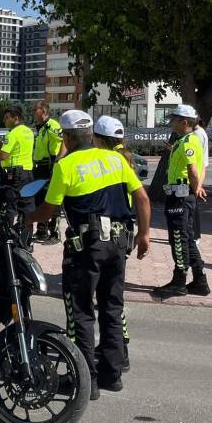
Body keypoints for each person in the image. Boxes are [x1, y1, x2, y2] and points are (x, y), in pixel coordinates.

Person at [26, 110, 150, 400]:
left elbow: (49, 210)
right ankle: (112, 374)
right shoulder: (116, 159)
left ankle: (84, 381)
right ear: (91, 136)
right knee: (111, 308)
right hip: (120, 244)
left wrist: (26, 218)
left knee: (80, 312)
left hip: (86, 248)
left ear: (67, 137)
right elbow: (142, 198)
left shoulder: (66, 166)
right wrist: (144, 235)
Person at [153, 104, 209, 298]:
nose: (171, 123)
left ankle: (179, 282)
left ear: (184, 121)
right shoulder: (187, 140)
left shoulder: (187, 142)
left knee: (178, 238)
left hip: (180, 196)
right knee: (188, 238)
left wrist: (195, 189)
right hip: (183, 195)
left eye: (173, 119)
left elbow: (194, 170)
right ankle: (200, 281)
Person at [93, 115, 135, 372]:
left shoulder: (110, 160)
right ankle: (120, 348)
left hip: (109, 229)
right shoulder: (126, 157)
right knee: (113, 296)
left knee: (108, 298)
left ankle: (119, 348)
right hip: (125, 230)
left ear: (98, 139)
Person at [0, 105, 35, 232]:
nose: (4, 121)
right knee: (27, 206)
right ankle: (25, 239)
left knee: (8, 206)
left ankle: (7, 237)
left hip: (13, 174)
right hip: (27, 172)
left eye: (7, 118)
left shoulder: (12, 134)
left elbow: (3, 156)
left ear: (15, 118)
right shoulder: (29, 132)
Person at [32, 100, 66, 243]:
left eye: (36, 110)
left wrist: (57, 161)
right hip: (40, 167)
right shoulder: (41, 127)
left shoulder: (53, 125)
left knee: (52, 199)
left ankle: (54, 233)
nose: (34, 113)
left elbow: (64, 141)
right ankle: (41, 231)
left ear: (43, 111)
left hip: (49, 165)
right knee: (40, 199)